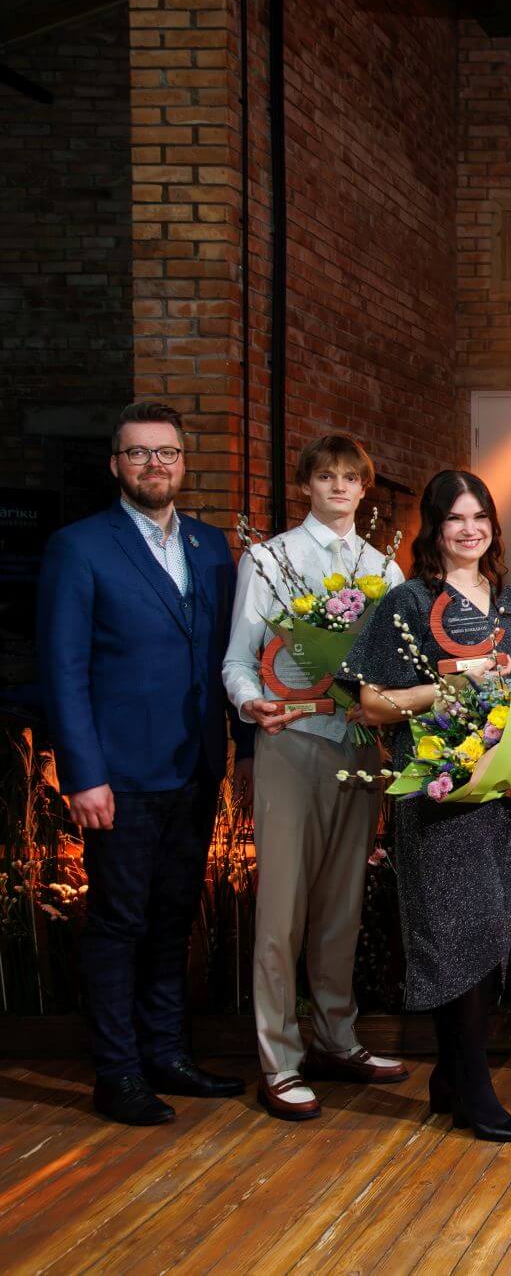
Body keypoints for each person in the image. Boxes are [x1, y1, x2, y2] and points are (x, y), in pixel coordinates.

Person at [37, 401, 249, 1125]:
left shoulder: (210, 545)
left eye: (166, 452)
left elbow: (229, 657)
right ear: (115, 464)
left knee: (172, 919)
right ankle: (117, 1073)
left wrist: (244, 746)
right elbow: (63, 669)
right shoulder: (79, 547)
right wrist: (82, 774)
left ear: (183, 463)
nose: (154, 464)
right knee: (118, 923)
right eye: (138, 453)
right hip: (119, 777)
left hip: (196, 766)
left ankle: (166, 1054)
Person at [344, 470, 511, 1143]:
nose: (469, 529)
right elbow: (371, 702)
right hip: (437, 792)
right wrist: (447, 687)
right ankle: (474, 1086)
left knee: (488, 931)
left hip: (501, 797)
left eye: (479, 517)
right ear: (433, 528)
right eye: (455, 518)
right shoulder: (408, 601)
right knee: (450, 932)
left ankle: (450, 1076)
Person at [222, 435, 408, 1121]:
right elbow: (238, 659)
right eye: (325, 476)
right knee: (282, 910)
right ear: (306, 485)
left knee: (342, 905)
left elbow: (397, 664)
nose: (338, 487)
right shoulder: (269, 560)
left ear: (364, 488)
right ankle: (279, 1059)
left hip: (358, 743)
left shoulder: (383, 569)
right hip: (290, 740)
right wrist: (251, 702)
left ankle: (336, 1036)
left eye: (350, 477)